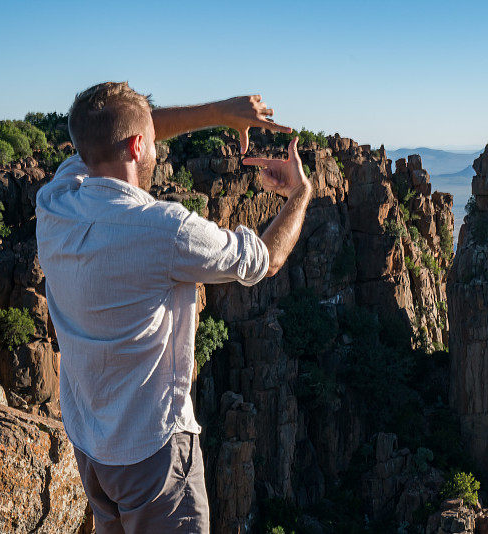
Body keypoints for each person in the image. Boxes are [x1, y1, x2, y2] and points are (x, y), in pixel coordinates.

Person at [35, 81, 312, 534]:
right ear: (138, 145)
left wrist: (224, 111)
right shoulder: (165, 230)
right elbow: (266, 259)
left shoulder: (55, 202)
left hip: (90, 447)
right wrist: (300, 194)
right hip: (153, 457)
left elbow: (115, 132)